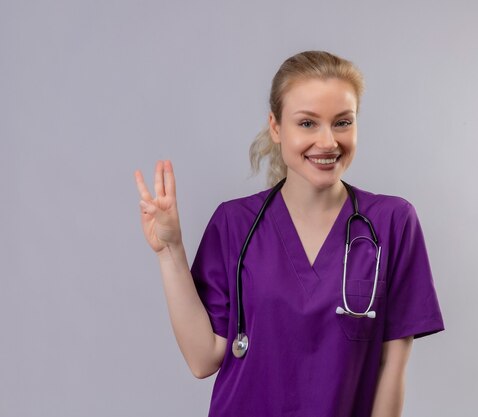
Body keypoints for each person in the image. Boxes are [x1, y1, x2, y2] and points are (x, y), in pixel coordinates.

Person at [134, 50, 444, 417]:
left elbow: (392, 366)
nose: (328, 142)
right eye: (308, 123)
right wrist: (169, 251)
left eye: (343, 122)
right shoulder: (235, 224)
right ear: (277, 127)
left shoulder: (392, 223)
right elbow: (203, 359)